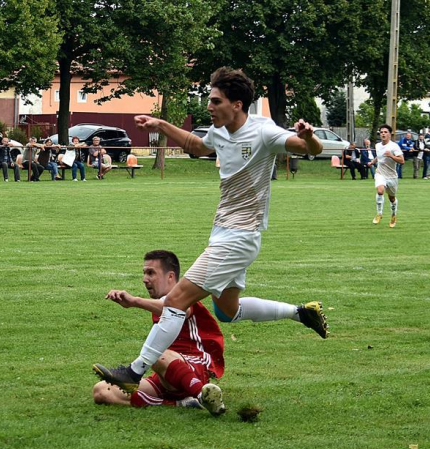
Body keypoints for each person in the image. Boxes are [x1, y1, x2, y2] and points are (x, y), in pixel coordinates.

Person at [92, 67, 329, 393]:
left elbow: (311, 150)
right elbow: (196, 146)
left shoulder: (263, 131)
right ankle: (301, 313)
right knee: (228, 311)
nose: (209, 106)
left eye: (215, 101)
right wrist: (160, 124)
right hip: (224, 233)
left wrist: (308, 136)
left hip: (240, 237)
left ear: (237, 104)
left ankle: (135, 370)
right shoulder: (219, 131)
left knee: (175, 300)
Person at [93, 250, 226, 416]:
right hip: (167, 371)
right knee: (101, 391)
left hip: (194, 367)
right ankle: (180, 404)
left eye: (151, 273)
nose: (145, 279)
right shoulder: (160, 302)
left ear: (170, 276)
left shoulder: (184, 298)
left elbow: (177, 310)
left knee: (156, 354)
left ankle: (202, 394)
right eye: (144, 273)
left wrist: (134, 301)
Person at [368, 124, 403, 228]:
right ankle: (379, 214)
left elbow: (402, 160)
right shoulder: (378, 145)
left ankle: (393, 215)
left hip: (392, 176)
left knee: (392, 198)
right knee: (380, 191)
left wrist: (391, 156)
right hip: (380, 173)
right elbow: (379, 157)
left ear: (390, 134)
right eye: (381, 132)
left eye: (385, 132)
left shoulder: (394, 146)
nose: (383, 134)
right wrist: (372, 162)